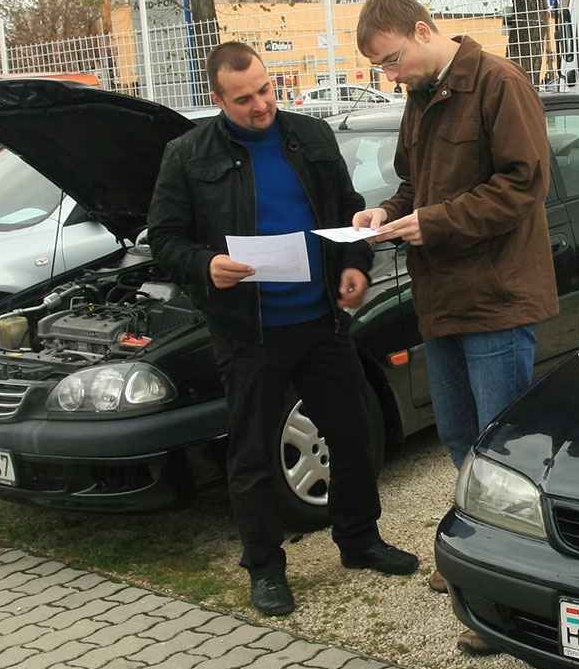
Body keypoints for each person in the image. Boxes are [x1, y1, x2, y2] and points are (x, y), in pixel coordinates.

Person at [147, 41, 418, 618]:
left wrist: (352, 266)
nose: (260, 106)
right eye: (243, 99)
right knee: (249, 456)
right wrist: (206, 266)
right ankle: (265, 569)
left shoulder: (310, 138)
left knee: (352, 435)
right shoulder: (188, 155)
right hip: (248, 332)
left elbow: (346, 212)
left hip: (320, 321)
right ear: (217, 99)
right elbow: (165, 240)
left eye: (266, 90)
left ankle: (359, 540)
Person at [352, 0, 557, 656]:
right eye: (383, 69)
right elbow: (417, 186)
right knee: (460, 436)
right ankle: (475, 557)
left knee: (502, 452)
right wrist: (386, 212)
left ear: (421, 29)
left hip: (497, 298)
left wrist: (432, 221)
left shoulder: (499, 82)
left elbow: (523, 185)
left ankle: (511, 594)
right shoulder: (420, 99)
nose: (391, 76)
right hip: (440, 298)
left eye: (391, 60)